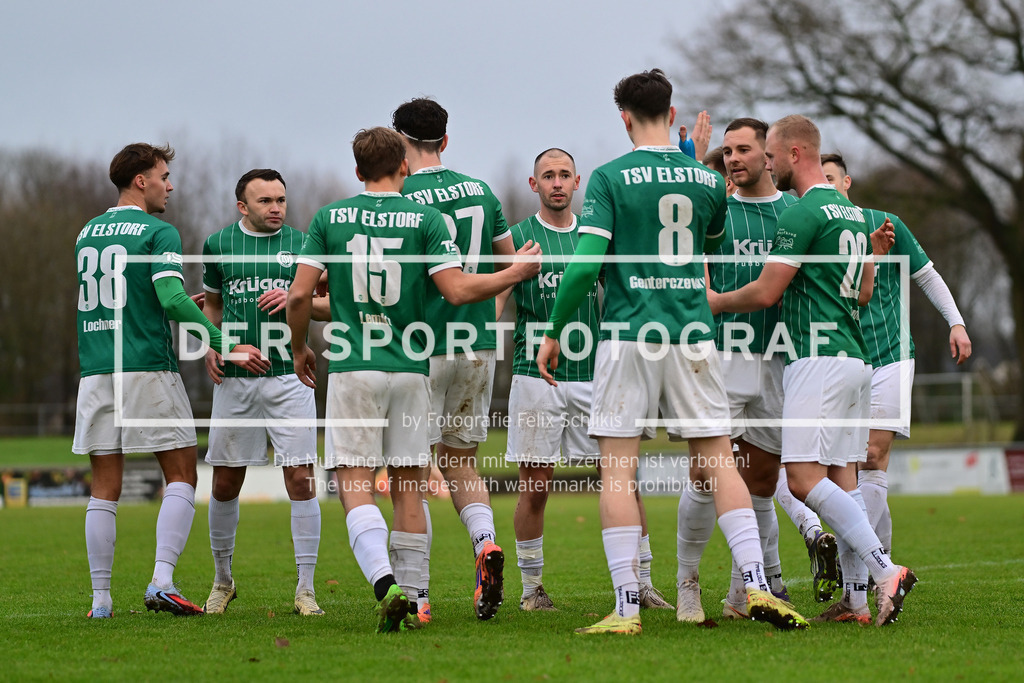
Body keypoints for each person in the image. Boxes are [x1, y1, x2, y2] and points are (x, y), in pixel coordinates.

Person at [537, 69, 807, 635]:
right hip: (694, 336)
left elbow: (585, 265)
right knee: (719, 461)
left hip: (629, 336)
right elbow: (706, 247)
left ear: (625, 117)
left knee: (617, 471)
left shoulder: (610, 177)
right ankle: (755, 586)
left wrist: (555, 329)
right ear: (671, 109)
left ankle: (627, 610)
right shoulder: (709, 183)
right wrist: (694, 164)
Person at [286, 127, 540, 633]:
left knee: (354, 485)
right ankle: (419, 602)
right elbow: (458, 289)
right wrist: (514, 272)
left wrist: (299, 348)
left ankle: (387, 586)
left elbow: (298, 298)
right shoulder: (425, 219)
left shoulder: (328, 218)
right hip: (409, 369)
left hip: (355, 367)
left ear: (357, 170)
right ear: (403, 167)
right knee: (409, 486)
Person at [708, 114, 917, 627]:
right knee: (844, 481)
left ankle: (884, 569)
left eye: (773, 157)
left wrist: (712, 301)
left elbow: (766, 292)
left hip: (816, 360)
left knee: (801, 479)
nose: (771, 167)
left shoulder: (801, 214)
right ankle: (857, 602)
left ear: (794, 154)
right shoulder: (851, 211)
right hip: (856, 359)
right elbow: (866, 292)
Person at [74, 143, 268, 618]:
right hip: (147, 366)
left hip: (97, 369)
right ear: (141, 180)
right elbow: (166, 295)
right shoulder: (158, 232)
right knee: (181, 474)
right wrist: (222, 341)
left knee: (104, 485)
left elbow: (139, 297)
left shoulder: (86, 234)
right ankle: (162, 580)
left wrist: (184, 299)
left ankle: (101, 602)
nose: (170, 184)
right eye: (164, 175)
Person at [676, 117, 838, 622]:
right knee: (706, 473)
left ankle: (741, 595)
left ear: (769, 156)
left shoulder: (795, 210)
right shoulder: (715, 207)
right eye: (726, 152)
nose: (733, 159)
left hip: (778, 357)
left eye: (743, 149)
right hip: (719, 356)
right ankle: (687, 585)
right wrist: (688, 160)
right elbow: (674, 229)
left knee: (762, 480)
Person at [502, 148, 672, 612]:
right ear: (533, 185)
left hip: (599, 375)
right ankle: (532, 589)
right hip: (536, 376)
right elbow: (493, 304)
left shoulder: (598, 237)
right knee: (535, 485)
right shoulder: (518, 239)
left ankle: (643, 583)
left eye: (564, 175)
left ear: (577, 183)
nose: (556, 182)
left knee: (622, 478)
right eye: (547, 176)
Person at [393, 98, 515, 622]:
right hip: (478, 344)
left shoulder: (397, 194)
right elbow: (510, 264)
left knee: (410, 471)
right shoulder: (481, 191)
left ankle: (417, 595)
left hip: (420, 347)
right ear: (445, 140)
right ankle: (485, 543)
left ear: (400, 142)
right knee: (461, 461)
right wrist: (488, 315)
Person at [821, 153, 972, 553]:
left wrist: (955, 322)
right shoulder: (814, 231)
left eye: (831, 178)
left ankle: (858, 561)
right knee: (849, 466)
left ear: (847, 182)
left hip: (890, 353)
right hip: (840, 359)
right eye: (819, 181)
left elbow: (926, 275)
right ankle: (880, 564)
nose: (826, 186)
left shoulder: (884, 223)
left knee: (872, 454)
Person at [200, 169, 326, 616]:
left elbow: (333, 296)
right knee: (225, 482)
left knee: (301, 479)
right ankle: (222, 581)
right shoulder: (217, 244)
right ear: (242, 207)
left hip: (290, 378)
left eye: (281, 200)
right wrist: (215, 347)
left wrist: (298, 298)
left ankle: (306, 589)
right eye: (265, 201)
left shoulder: (305, 242)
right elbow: (212, 305)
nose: (276, 208)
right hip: (237, 384)